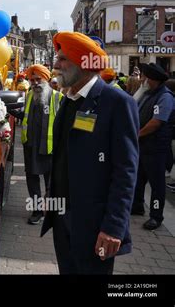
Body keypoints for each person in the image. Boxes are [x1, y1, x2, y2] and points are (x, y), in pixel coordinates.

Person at [41, 32, 139, 275]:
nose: (55, 65)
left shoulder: (117, 103)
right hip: (62, 221)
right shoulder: (67, 100)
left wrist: (114, 227)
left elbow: (126, 171)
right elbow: (63, 157)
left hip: (96, 229)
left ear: (83, 64)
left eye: (62, 59)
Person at [131, 63, 174, 230]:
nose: (142, 80)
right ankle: (137, 206)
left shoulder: (165, 97)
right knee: (138, 179)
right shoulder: (147, 94)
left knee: (157, 185)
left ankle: (156, 216)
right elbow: (133, 107)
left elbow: (156, 122)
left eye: (144, 77)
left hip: (156, 148)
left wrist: (137, 134)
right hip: (143, 146)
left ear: (151, 79)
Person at [21, 64, 63, 224]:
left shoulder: (58, 97)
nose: (35, 83)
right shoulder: (29, 95)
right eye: (32, 80)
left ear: (46, 78)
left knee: (51, 181)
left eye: (38, 79)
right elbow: (23, 116)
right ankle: (37, 211)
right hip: (30, 146)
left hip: (50, 147)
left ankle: (50, 211)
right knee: (32, 180)